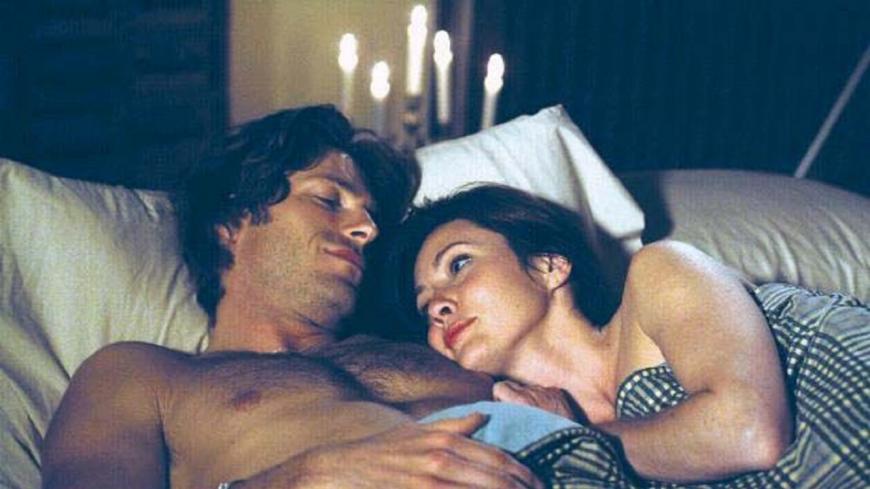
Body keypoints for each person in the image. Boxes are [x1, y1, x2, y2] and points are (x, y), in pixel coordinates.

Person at [40, 106, 545, 489]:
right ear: (232, 223)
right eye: (328, 200)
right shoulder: (142, 376)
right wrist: (304, 477)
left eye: (371, 217)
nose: (366, 228)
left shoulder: (442, 340)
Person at [385, 184, 869, 487]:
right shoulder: (560, 467)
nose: (439, 305)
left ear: (550, 266)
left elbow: (748, 432)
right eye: (426, 306)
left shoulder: (658, 274)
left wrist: (572, 435)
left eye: (459, 264)